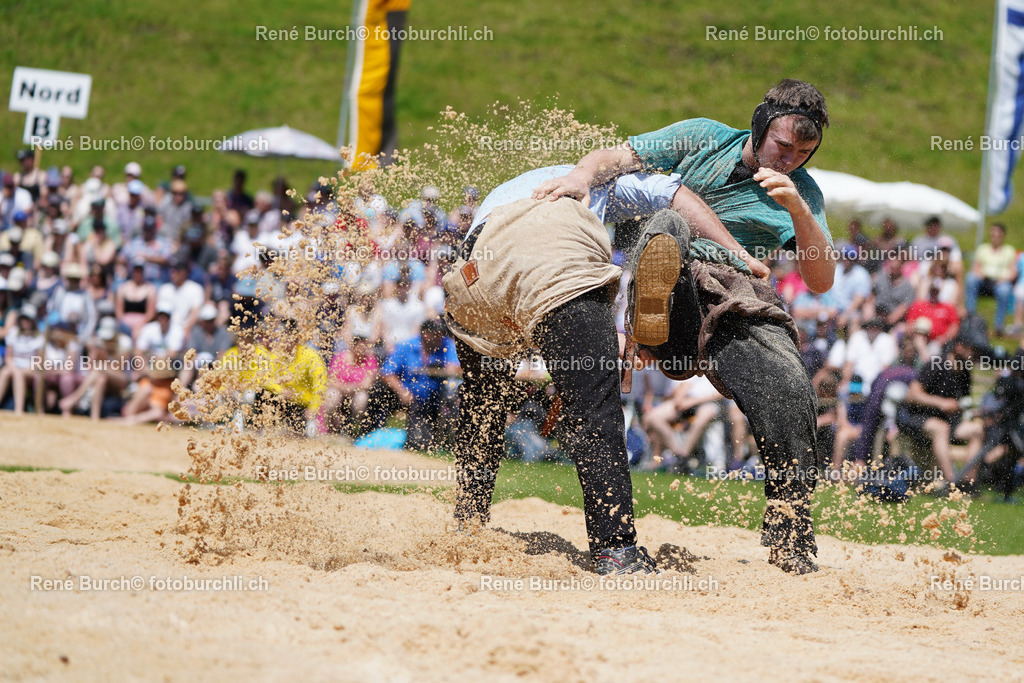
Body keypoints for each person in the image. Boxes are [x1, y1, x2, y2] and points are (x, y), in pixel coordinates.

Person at [533, 79, 835, 574]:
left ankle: (791, 538)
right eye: (782, 146)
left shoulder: (804, 193)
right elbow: (620, 156)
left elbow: (820, 280)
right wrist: (581, 176)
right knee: (668, 225)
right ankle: (645, 325)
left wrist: (799, 210)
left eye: (804, 152)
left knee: (790, 390)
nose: (790, 160)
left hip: (734, 297)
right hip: (669, 281)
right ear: (760, 127)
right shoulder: (703, 137)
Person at [444, 163, 753, 575]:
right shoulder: (617, 178)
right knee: (597, 406)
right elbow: (678, 198)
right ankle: (615, 548)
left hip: (474, 271)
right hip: (550, 254)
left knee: (482, 406)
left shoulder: (512, 185)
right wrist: (741, 254)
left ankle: (467, 522)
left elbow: (522, 288)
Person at [965, 223, 1017, 335]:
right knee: (970, 279)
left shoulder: (1009, 251)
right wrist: (981, 275)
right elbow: (975, 268)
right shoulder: (983, 249)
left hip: (1000, 282)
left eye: (997, 234)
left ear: (1003, 235)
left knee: (1005, 290)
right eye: (993, 234)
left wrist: (1002, 279)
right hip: (983, 281)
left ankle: (999, 326)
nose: (995, 237)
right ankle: (970, 317)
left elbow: (1013, 273)